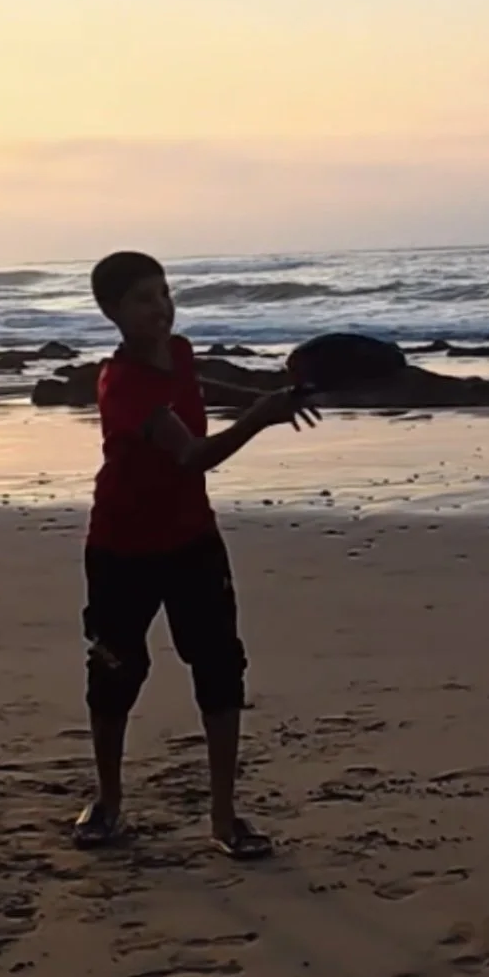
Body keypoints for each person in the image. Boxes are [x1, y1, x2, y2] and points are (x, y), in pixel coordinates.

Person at [74, 250, 318, 860]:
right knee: (115, 671)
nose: (160, 307)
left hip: (192, 540)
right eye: (143, 299)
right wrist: (260, 417)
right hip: (122, 546)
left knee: (219, 667)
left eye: (164, 293)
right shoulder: (122, 384)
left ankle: (224, 816)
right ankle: (108, 801)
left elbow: (196, 385)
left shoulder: (178, 353)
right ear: (111, 311)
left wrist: (267, 394)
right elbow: (190, 456)